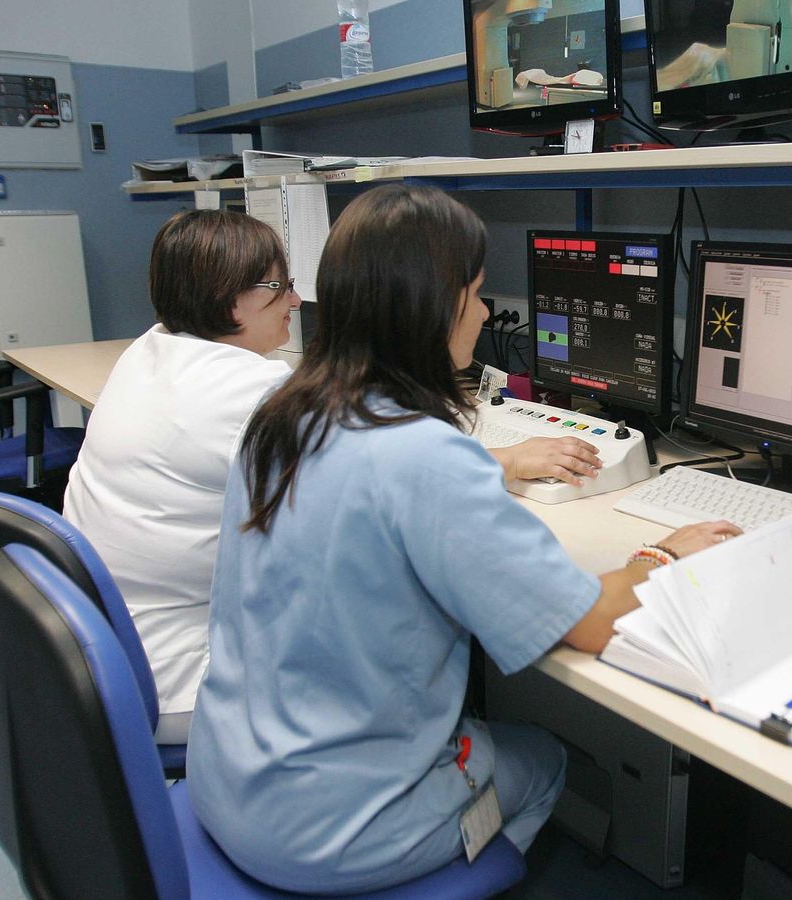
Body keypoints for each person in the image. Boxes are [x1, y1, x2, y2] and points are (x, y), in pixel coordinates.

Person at [188, 184, 740, 894]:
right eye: (476, 293)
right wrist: (665, 554)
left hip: (228, 777)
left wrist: (493, 465)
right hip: (330, 832)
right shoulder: (422, 458)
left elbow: (381, 481)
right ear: (433, 306)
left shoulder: (282, 410)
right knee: (542, 760)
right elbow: (591, 625)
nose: (483, 313)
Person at [62, 209, 300, 744]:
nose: (296, 300)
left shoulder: (149, 348)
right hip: (177, 682)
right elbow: (381, 484)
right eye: (280, 285)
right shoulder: (253, 387)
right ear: (229, 298)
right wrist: (503, 461)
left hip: (98, 649)